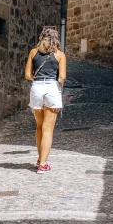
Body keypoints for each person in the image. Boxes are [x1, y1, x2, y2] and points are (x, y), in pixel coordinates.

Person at [24, 27, 66, 174]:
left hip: (36, 88)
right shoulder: (60, 55)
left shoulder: (33, 53)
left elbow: (28, 75)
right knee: (48, 129)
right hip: (51, 89)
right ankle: (42, 164)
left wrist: (39, 79)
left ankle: (39, 159)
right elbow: (62, 77)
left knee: (39, 126)